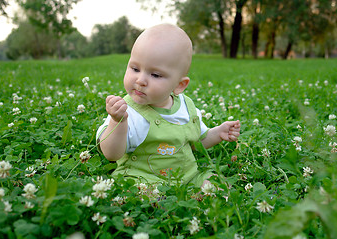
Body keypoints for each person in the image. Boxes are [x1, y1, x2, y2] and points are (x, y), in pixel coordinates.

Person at [96, 24, 240, 187]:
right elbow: (111, 153)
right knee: (146, 197)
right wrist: (118, 122)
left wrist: (218, 133)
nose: (140, 80)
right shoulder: (127, 111)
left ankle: (201, 197)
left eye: (155, 74)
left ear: (179, 85)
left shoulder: (187, 107)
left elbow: (196, 143)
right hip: (142, 180)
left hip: (187, 177)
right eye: (135, 68)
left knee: (217, 185)